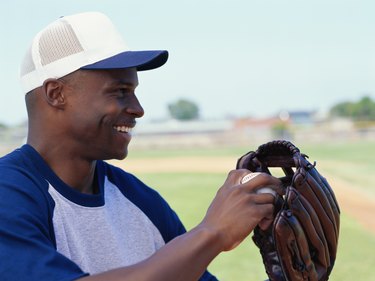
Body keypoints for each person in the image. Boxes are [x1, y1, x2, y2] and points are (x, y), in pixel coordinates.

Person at [0, 12, 281, 281]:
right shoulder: (9, 193)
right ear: (56, 93)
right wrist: (211, 233)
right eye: (120, 92)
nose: (138, 109)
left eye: (134, 92)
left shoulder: (138, 198)